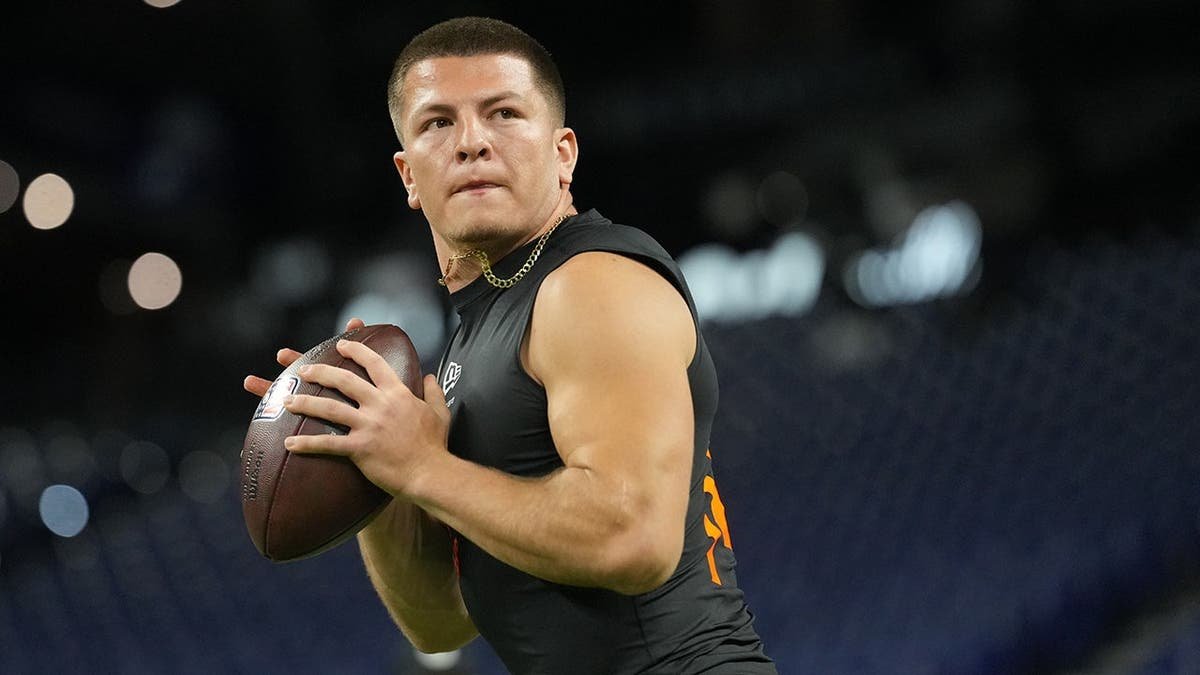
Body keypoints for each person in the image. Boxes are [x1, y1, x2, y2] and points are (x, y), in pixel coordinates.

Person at [243, 16, 775, 674]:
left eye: (503, 113)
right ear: (408, 174)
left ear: (563, 154)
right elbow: (438, 622)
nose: (470, 142)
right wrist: (374, 465)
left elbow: (633, 538)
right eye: (438, 122)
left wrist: (421, 468)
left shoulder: (590, 283)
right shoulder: (477, 332)